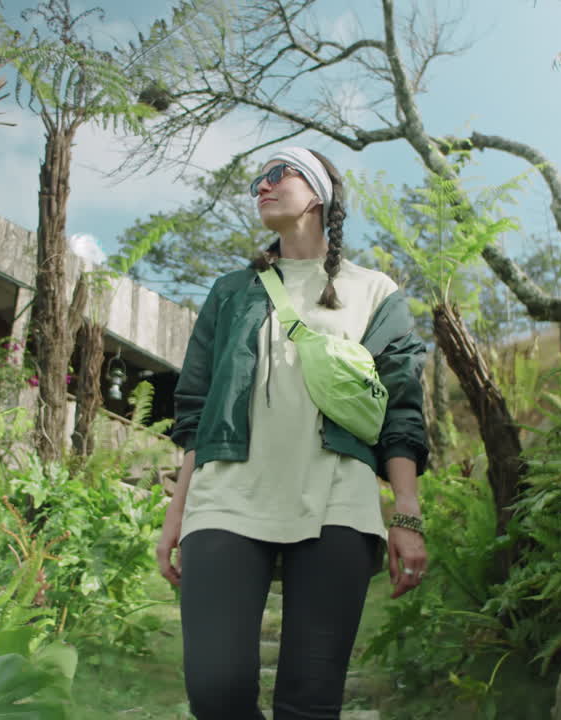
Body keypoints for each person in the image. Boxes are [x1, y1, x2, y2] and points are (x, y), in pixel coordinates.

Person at [156, 146, 430, 719]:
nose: (263, 183)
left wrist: (405, 513)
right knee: (216, 691)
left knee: (310, 703)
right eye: (257, 176)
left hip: (337, 502)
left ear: (320, 194)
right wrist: (176, 511)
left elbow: (402, 412)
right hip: (226, 497)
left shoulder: (376, 291)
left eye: (279, 172)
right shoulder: (231, 293)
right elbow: (196, 409)